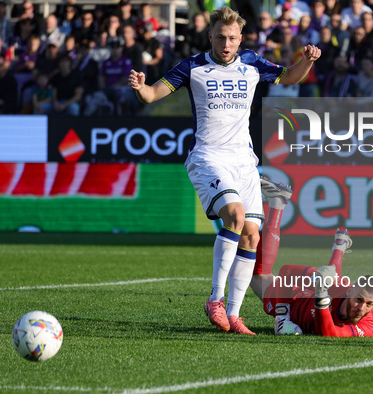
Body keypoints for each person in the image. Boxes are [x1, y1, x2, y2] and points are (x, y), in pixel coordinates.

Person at [128, 5, 321, 335]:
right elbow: (152, 95)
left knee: (251, 234)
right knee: (234, 215)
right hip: (208, 156)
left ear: (240, 38)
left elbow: (288, 76)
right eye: (220, 38)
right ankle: (215, 300)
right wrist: (141, 87)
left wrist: (308, 60)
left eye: (232, 38)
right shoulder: (193, 67)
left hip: (244, 160)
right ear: (211, 37)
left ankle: (233, 314)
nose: (226, 44)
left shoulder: (252, 63)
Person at [254, 177, 373, 337]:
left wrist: (321, 295)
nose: (361, 308)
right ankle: (277, 204)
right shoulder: (343, 287)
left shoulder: (368, 326)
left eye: (369, 304)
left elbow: (329, 333)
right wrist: (282, 317)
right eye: (359, 300)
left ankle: (339, 247)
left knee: (331, 280)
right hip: (289, 299)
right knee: (258, 275)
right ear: (349, 292)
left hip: (312, 295)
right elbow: (286, 271)